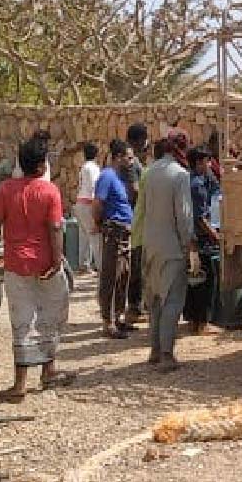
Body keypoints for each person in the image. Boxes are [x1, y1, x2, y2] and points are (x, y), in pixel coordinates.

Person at [0, 135, 72, 403]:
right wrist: (57, 261)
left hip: (16, 265)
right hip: (46, 264)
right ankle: (48, 370)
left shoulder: (7, 189)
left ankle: (20, 384)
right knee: (50, 316)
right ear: (41, 165)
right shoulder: (50, 192)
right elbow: (55, 228)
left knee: (21, 322)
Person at [137, 130, 195, 371]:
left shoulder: (150, 172)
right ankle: (167, 354)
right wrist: (188, 244)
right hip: (172, 246)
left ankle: (154, 349)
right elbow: (184, 216)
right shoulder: (180, 175)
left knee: (155, 300)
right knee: (172, 299)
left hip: (150, 243)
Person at [92, 139, 135, 339]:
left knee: (123, 275)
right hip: (114, 232)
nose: (132, 162)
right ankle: (108, 322)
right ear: (118, 157)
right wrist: (100, 223)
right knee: (111, 276)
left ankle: (117, 317)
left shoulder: (120, 177)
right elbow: (97, 204)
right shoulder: (107, 176)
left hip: (124, 232)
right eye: (129, 158)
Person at [182, 146, 220, 335]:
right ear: (198, 163)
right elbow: (200, 217)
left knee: (194, 280)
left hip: (191, 238)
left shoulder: (192, 180)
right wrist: (214, 235)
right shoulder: (197, 185)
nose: (210, 164)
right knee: (207, 280)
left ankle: (192, 320)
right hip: (201, 239)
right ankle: (203, 322)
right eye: (207, 161)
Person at [123, 122, 150, 326]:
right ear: (140, 139)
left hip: (134, 215)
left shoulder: (130, 158)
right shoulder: (132, 161)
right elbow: (133, 189)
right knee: (136, 264)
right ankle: (134, 307)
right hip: (135, 216)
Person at [73, 142, 101, 274]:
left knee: (84, 235)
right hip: (89, 203)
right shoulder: (94, 168)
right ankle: (101, 267)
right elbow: (94, 187)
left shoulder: (83, 167)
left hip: (80, 203)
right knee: (95, 235)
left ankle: (83, 264)